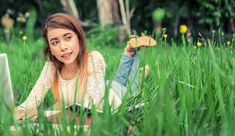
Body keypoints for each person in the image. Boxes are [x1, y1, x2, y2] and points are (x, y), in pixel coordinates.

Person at [15, 13, 156, 120]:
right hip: (106, 86)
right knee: (118, 80)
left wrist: (48, 112)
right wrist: (22, 109)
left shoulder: (94, 59)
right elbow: (33, 98)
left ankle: (135, 62)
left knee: (131, 87)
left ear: (79, 37)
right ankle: (129, 51)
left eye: (68, 37)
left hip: (115, 98)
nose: (63, 47)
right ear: (50, 48)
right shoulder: (51, 66)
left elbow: (93, 106)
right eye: (55, 42)